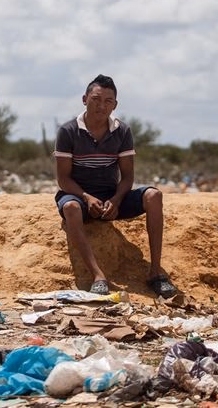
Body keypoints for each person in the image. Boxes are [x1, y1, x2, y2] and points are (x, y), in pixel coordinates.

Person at [54, 74, 177, 298]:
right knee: (70, 208)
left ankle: (155, 273)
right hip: (78, 197)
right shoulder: (68, 131)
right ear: (84, 99)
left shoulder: (122, 131)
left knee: (154, 195)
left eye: (108, 101)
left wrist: (117, 200)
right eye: (96, 99)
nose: (102, 106)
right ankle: (98, 276)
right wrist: (86, 198)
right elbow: (63, 179)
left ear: (115, 105)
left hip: (111, 198)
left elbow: (128, 177)